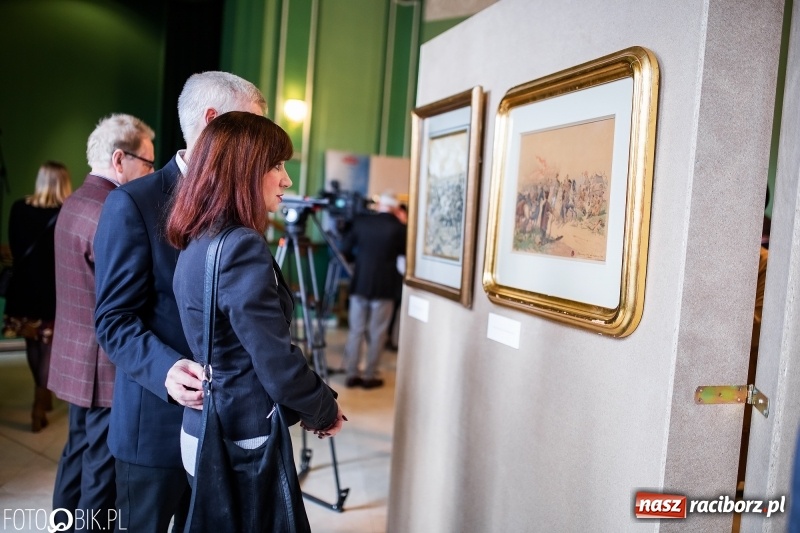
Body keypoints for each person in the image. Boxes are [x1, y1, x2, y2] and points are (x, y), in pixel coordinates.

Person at [93, 72, 266, 533]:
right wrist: (166, 370)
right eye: (251, 128)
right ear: (212, 121)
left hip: (228, 431)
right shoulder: (134, 202)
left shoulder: (243, 202)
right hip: (156, 431)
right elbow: (113, 319)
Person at [166, 111, 345, 527]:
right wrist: (324, 409)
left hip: (202, 424)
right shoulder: (242, 246)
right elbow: (277, 364)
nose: (287, 180)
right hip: (240, 435)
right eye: (276, 166)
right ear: (244, 171)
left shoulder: (198, 236)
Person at [48, 113, 155, 530]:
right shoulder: (112, 210)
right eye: (147, 163)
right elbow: (124, 299)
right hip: (103, 364)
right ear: (119, 159)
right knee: (101, 470)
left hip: (74, 354)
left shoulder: (75, 200)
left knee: (75, 455)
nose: (150, 172)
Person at [4, 161, 71, 432]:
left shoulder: (19, 209)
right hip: (53, 292)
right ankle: (39, 401)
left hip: (23, 290)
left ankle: (40, 394)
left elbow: (16, 248)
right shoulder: (67, 212)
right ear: (63, 183)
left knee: (32, 344)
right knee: (48, 348)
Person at [341, 192, 407, 389]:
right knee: (378, 332)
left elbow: (344, 249)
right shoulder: (400, 229)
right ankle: (370, 376)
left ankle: (352, 374)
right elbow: (405, 259)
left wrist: (356, 266)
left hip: (360, 284)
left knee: (356, 331)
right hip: (384, 287)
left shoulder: (362, 223)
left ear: (379, 205)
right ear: (395, 208)